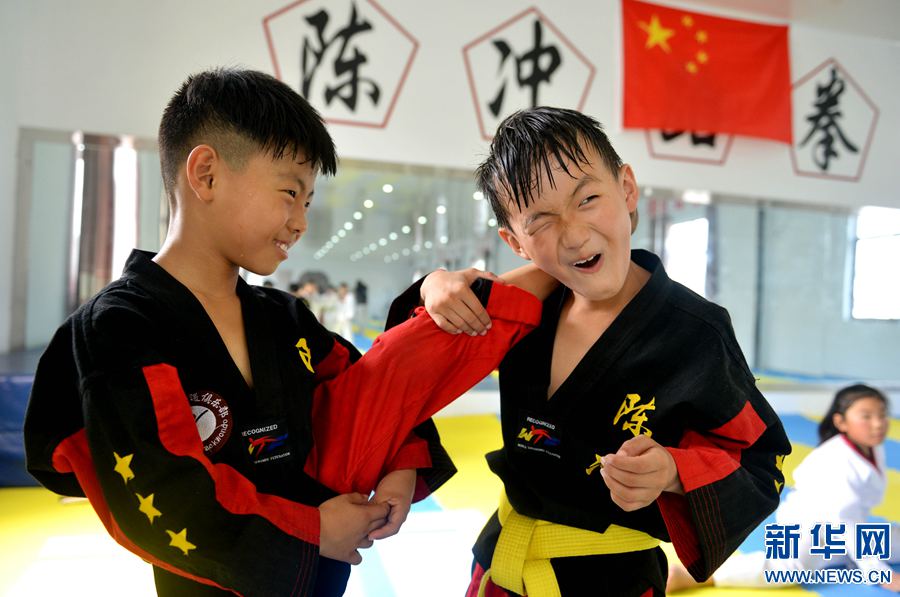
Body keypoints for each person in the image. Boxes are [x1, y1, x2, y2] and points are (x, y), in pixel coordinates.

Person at [22, 68, 547, 597]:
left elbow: (370, 383)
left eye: (308, 202)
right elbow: (163, 490)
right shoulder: (121, 326)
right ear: (206, 174)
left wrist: (401, 464)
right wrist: (314, 530)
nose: (300, 221)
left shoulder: (284, 318)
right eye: (289, 193)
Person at [391, 107, 792, 596]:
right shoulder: (519, 311)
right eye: (541, 221)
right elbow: (400, 364)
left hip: (615, 582)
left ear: (627, 189)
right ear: (515, 242)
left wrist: (673, 471)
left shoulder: (696, 332)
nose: (575, 234)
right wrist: (433, 287)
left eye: (587, 199)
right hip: (502, 566)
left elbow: (761, 464)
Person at [668, 384, 900, 593]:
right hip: (807, 528)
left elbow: (850, 522)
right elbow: (844, 521)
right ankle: (698, 576)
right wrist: (879, 572)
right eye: (866, 416)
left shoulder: (871, 447)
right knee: (791, 569)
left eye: (882, 415)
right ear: (841, 422)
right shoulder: (838, 459)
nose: (878, 423)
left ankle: (849, 555)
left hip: (842, 528)